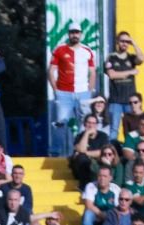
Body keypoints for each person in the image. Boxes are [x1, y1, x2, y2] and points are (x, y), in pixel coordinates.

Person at [49, 24, 96, 157]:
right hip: (64, 93)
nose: (75, 35)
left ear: (81, 34)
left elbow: (92, 73)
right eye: (72, 32)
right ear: (68, 34)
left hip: (83, 93)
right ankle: (56, 153)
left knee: (86, 122)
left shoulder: (87, 50)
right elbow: (51, 71)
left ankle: (84, 151)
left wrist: (90, 91)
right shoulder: (59, 50)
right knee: (60, 123)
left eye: (77, 32)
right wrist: (55, 90)